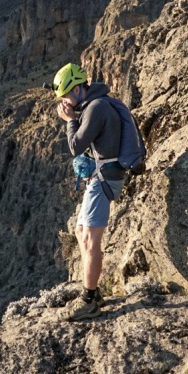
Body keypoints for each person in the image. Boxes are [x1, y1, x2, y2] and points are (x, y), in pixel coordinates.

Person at [51, 62, 126, 321]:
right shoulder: (95, 105)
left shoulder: (96, 108)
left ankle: (89, 298)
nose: (66, 102)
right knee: (81, 231)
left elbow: (76, 146)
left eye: (66, 96)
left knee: (90, 240)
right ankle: (92, 292)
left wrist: (70, 120)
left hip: (105, 178)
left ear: (78, 89)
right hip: (101, 176)